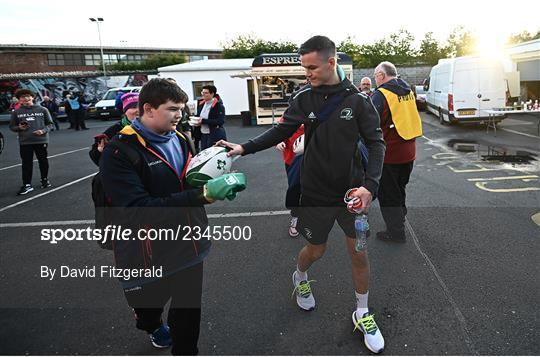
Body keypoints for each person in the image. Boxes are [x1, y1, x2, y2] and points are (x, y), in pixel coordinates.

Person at [217, 35, 386, 353]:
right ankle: (301, 275)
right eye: (303, 66)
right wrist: (243, 147)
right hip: (315, 194)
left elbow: (377, 144)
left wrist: (370, 186)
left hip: (353, 196)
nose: (306, 72)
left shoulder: (359, 102)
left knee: (359, 252)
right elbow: (280, 131)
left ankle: (362, 312)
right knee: (315, 250)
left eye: (312, 67)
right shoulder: (304, 99)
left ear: (331, 62)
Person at [100, 78, 246, 354]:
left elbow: (188, 180)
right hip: (146, 249)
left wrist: (218, 168)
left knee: (188, 311)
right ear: (148, 109)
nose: (180, 114)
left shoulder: (180, 138)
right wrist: (201, 195)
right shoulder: (119, 151)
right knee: (149, 304)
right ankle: (149, 322)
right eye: (172, 109)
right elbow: (136, 210)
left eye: (181, 108)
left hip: (189, 243)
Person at [371, 61, 422, 243]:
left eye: (376, 76)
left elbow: (369, 123)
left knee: (388, 194)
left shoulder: (381, 95)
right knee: (400, 188)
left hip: (389, 154)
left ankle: (396, 232)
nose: (375, 80)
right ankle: (400, 215)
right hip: (409, 152)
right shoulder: (408, 90)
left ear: (381, 76)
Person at [9, 89, 54, 195]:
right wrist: (19, 127)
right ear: (19, 100)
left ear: (32, 97)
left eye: (28, 96)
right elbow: (12, 126)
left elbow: (50, 124)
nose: (25, 98)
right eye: (22, 97)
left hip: (41, 140)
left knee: (43, 161)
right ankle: (27, 185)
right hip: (25, 142)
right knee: (26, 163)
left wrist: (42, 131)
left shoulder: (43, 109)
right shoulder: (16, 112)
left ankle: (44, 180)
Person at [89, 92, 139, 166]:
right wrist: (100, 152)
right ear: (124, 111)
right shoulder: (113, 131)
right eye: (133, 107)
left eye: (141, 107)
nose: (138, 110)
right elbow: (95, 156)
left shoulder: (153, 128)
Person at [275, 125, 304, 237]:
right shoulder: (290, 113)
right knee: (294, 188)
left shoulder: (319, 111)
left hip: (314, 159)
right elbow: (280, 131)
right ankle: (295, 216)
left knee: (314, 189)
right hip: (292, 159)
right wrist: (279, 142)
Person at [196, 85, 226, 150]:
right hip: (203, 134)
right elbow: (199, 116)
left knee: (212, 154)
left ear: (212, 94)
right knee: (203, 154)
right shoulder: (201, 104)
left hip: (214, 134)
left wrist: (203, 121)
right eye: (202, 92)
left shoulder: (219, 106)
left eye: (206, 93)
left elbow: (220, 121)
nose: (203, 94)